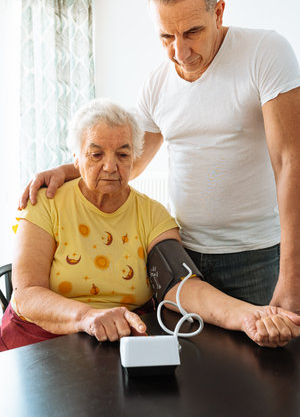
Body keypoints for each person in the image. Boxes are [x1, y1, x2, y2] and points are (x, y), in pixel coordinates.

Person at [19, 0, 300, 313]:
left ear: (218, 12)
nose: (180, 52)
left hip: (254, 255)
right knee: (193, 364)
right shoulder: (156, 84)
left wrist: (293, 279)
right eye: (166, 37)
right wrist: (68, 169)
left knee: (264, 363)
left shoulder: (265, 52)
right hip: (184, 252)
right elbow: (129, 162)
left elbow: (291, 161)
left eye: (192, 32)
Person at [2, 98, 300, 351]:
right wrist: (86, 316)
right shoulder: (47, 202)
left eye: (123, 154)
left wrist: (249, 316)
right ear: (76, 159)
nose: (110, 166)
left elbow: (180, 287)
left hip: (120, 341)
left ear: (135, 158)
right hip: (40, 341)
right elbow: (27, 294)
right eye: (96, 154)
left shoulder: (153, 215)